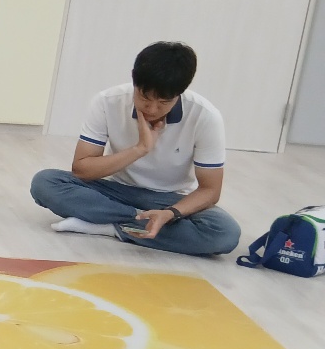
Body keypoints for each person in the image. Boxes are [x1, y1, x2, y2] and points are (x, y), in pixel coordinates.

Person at [30, 42, 241, 256]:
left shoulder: (205, 116)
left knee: (224, 233)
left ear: (180, 93)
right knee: (45, 183)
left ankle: (109, 227)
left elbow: (210, 190)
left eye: (163, 102)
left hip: (171, 198)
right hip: (116, 190)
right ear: (134, 80)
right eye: (144, 98)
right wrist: (140, 148)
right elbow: (82, 170)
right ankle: (140, 222)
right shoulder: (107, 102)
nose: (152, 109)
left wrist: (170, 213)